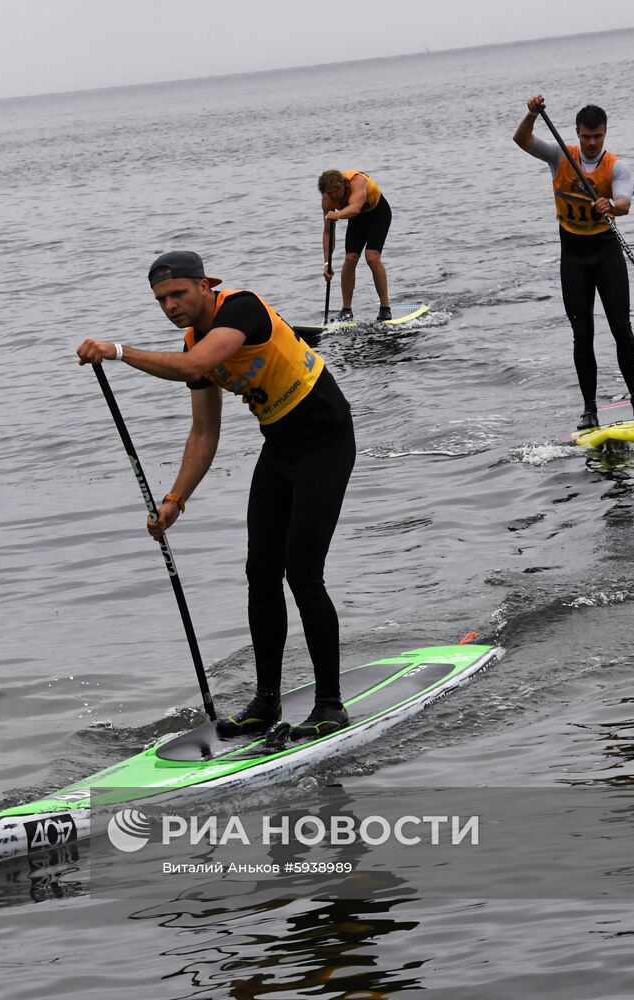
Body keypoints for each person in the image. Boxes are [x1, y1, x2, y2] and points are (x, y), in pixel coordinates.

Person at [76, 251, 355, 740]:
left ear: (206, 286)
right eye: (161, 299)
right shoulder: (192, 341)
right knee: (260, 573)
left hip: (326, 438)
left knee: (303, 574)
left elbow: (196, 366)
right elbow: (204, 433)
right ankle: (265, 703)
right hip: (282, 446)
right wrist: (174, 501)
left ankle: (330, 706)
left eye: (178, 293)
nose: (170, 305)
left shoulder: (240, 308)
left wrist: (118, 351)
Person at [513, 95, 634, 429]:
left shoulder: (616, 166)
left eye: (598, 137)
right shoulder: (559, 155)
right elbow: (521, 140)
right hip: (574, 257)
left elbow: (625, 202)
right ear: (577, 134)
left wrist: (613, 206)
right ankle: (589, 410)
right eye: (586, 136)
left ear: (605, 134)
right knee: (583, 334)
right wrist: (531, 115)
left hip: (607, 254)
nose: (592, 143)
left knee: (622, 328)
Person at [318, 169, 392, 323]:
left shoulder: (357, 182)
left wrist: (337, 214)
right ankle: (346, 310)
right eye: (329, 194)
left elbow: (355, 208)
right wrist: (327, 263)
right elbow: (328, 233)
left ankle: (385, 309)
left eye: (336, 192)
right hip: (357, 219)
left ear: (343, 185)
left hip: (378, 213)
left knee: (371, 257)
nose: (334, 197)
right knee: (350, 258)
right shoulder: (327, 200)